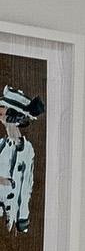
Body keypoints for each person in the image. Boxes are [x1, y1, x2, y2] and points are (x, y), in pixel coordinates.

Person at [0, 81, 39, 235]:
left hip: (11, 213)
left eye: (3, 112)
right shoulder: (2, 144)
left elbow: (25, 185)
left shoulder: (27, 150)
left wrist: (23, 218)